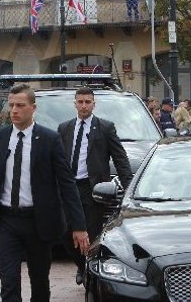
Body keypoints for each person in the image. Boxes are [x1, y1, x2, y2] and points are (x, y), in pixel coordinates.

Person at [0, 84, 89, 301]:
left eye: (20, 105)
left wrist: (79, 226)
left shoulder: (49, 139)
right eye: (11, 106)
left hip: (38, 223)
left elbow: (67, 185)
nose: (14, 110)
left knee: (39, 281)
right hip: (6, 221)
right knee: (9, 283)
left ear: (33, 108)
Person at [57, 86, 133, 285]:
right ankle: (82, 266)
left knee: (90, 234)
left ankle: (90, 273)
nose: (84, 106)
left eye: (87, 102)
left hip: (92, 189)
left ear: (93, 104)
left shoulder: (105, 128)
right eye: (80, 102)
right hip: (68, 188)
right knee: (65, 231)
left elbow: (120, 158)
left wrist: (129, 188)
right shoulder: (65, 128)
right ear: (75, 104)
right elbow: (56, 159)